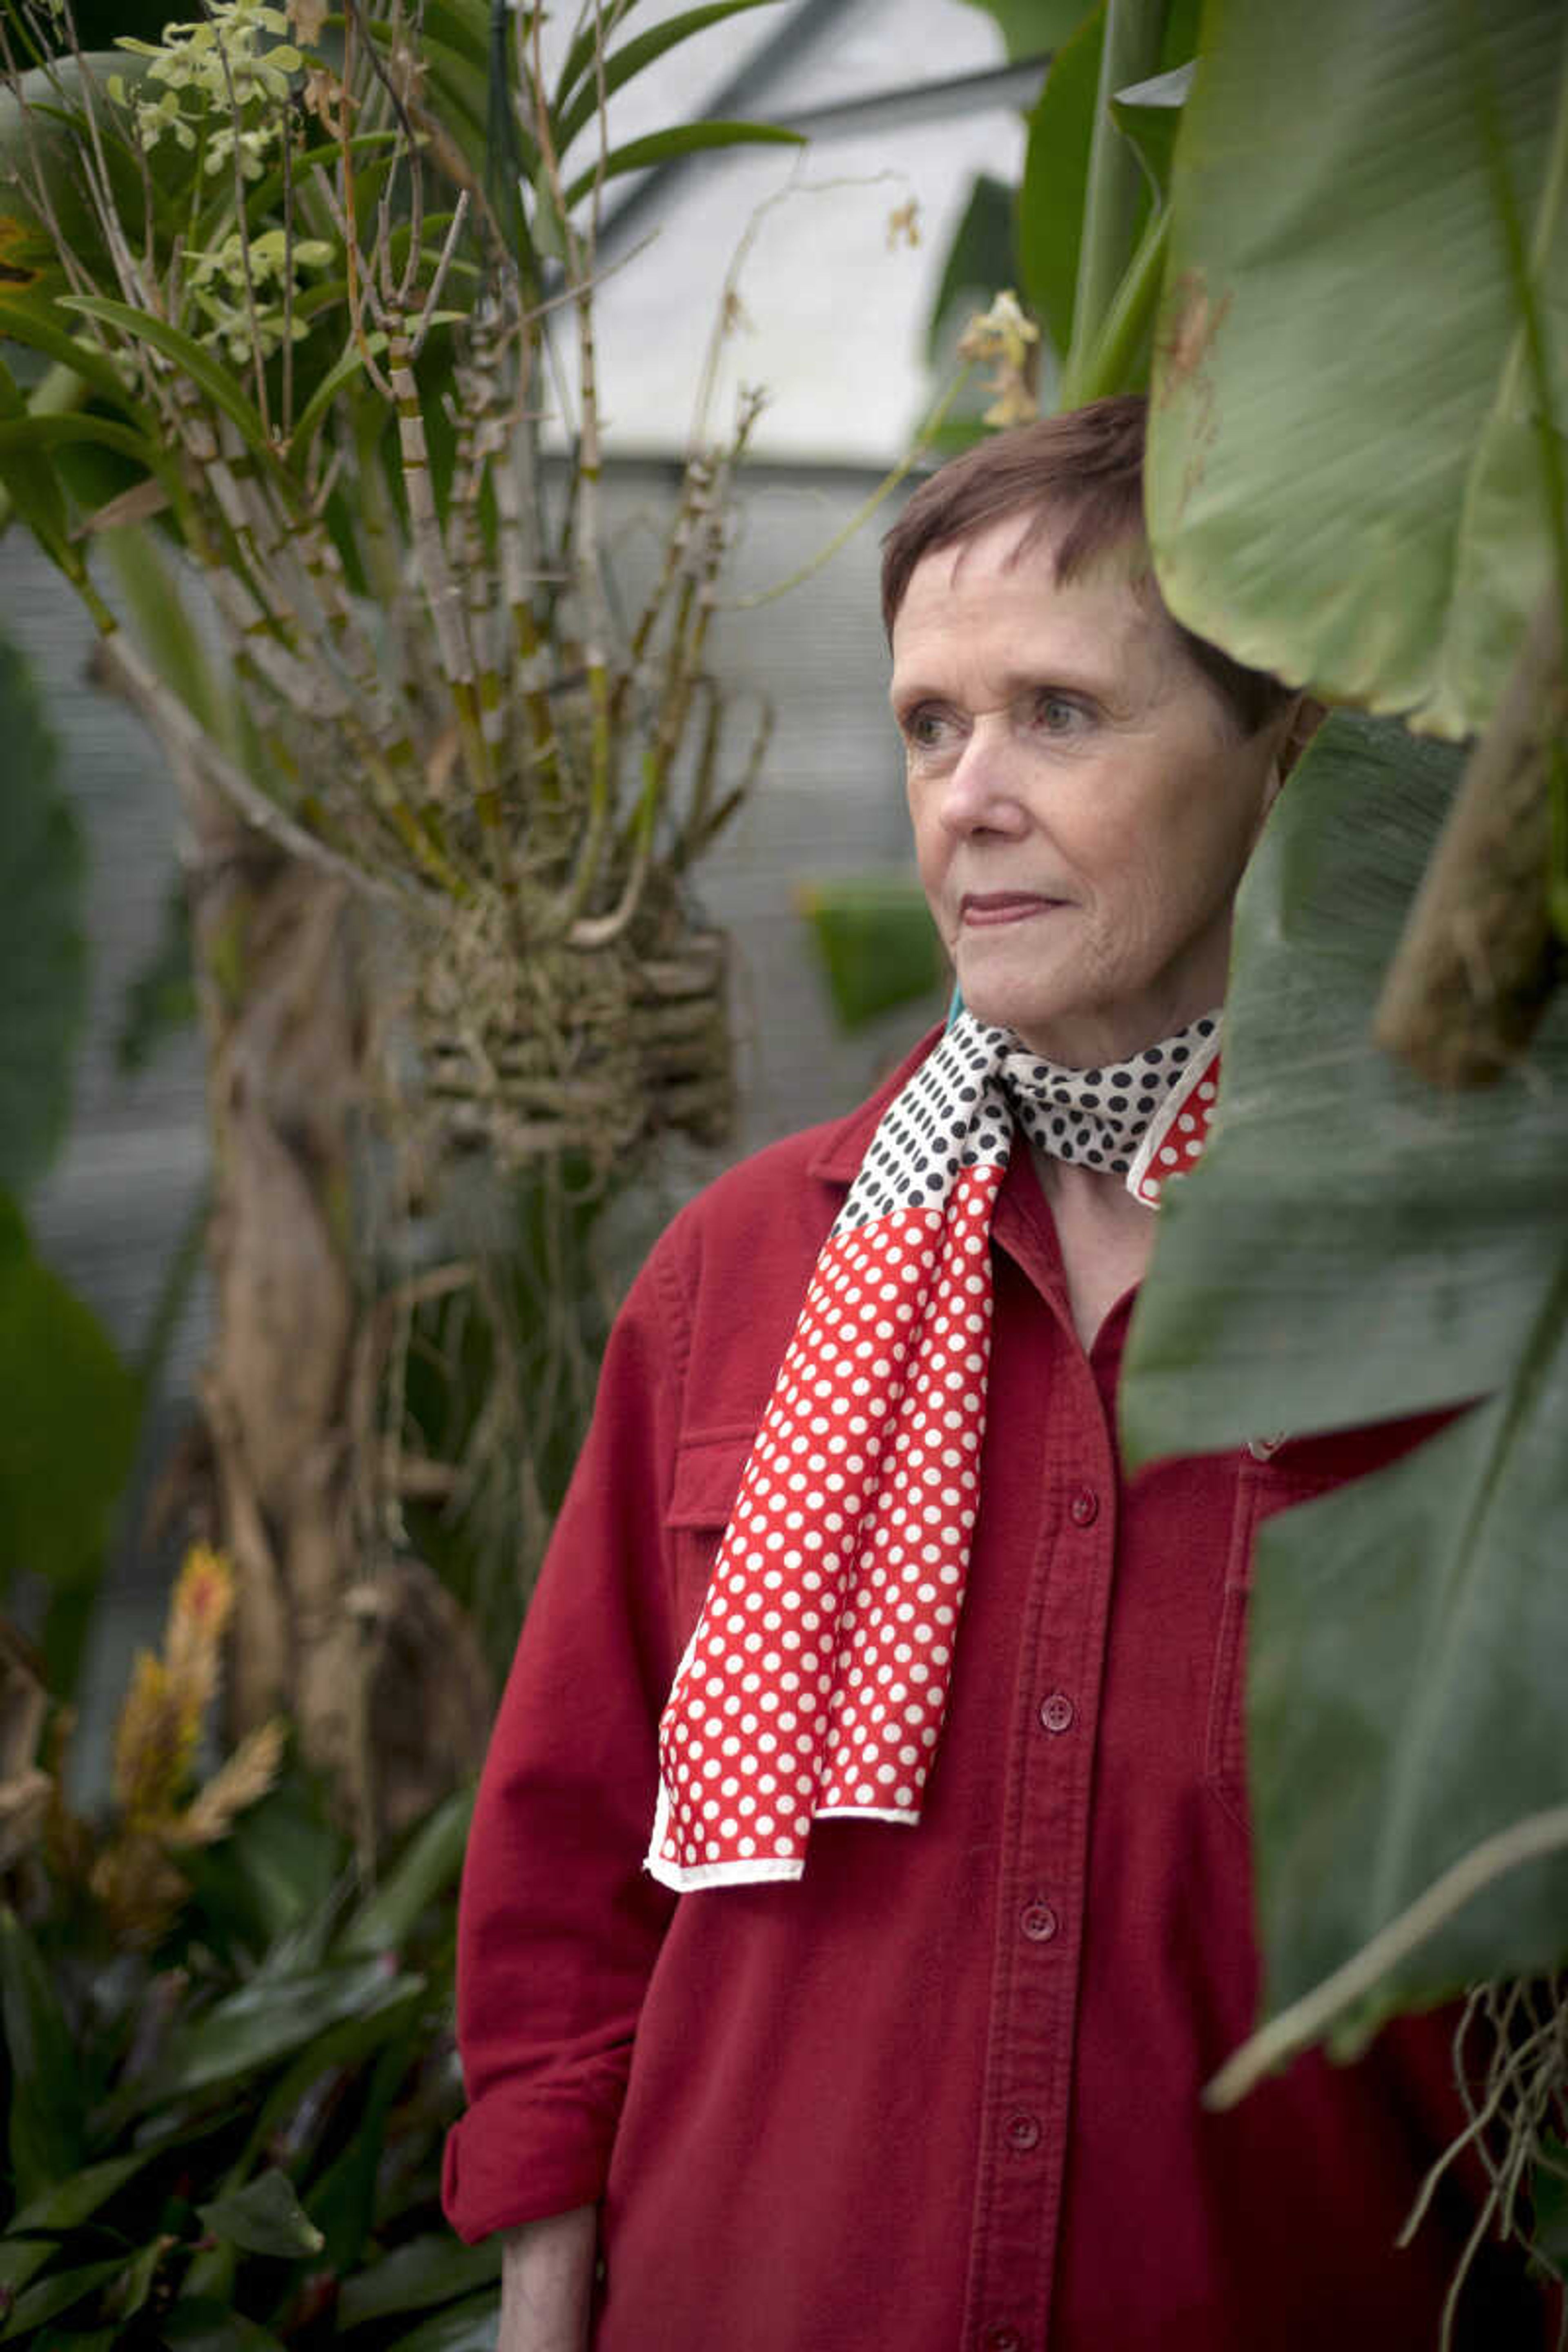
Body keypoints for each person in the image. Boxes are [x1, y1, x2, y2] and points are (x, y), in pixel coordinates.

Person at [442, 397, 1542, 2350]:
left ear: (1280, 751)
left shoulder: (1464, 1277)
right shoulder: (752, 1272)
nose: (967, 796)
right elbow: (573, 1860)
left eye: (1060, 711)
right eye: (929, 726)